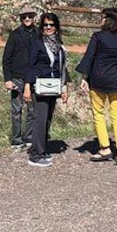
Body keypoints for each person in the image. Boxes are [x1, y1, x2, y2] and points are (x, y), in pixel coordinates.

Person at [76, 7, 117, 165]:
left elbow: (89, 57)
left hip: (98, 81)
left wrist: (84, 77)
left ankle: (105, 148)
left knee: (99, 114)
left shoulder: (97, 37)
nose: (100, 20)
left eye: (102, 17)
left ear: (108, 20)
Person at [23, 12, 69, 168]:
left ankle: (42, 147)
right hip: (39, 85)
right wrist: (27, 87)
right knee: (40, 119)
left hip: (54, 85)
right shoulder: (37, 43)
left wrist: (64, 87)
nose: (48, 28)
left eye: (51, 25)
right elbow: (31, 65)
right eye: (45, 25)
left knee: (48, 119)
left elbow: (62, 67)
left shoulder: (59, 45)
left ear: (56, 27)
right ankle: (36, 154)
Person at [2, 5, 38, 150]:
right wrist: (8, 79)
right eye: (24, 17)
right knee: (16, 110)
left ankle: (29, 137)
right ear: (20, 19)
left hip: (34, 77)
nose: (27, 19)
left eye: (29, 16)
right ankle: (16, 140)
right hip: (17, 77)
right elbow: (6, 58)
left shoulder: (38, 34)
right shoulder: (15, 35)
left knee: (32, 109)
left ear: (34, 17)